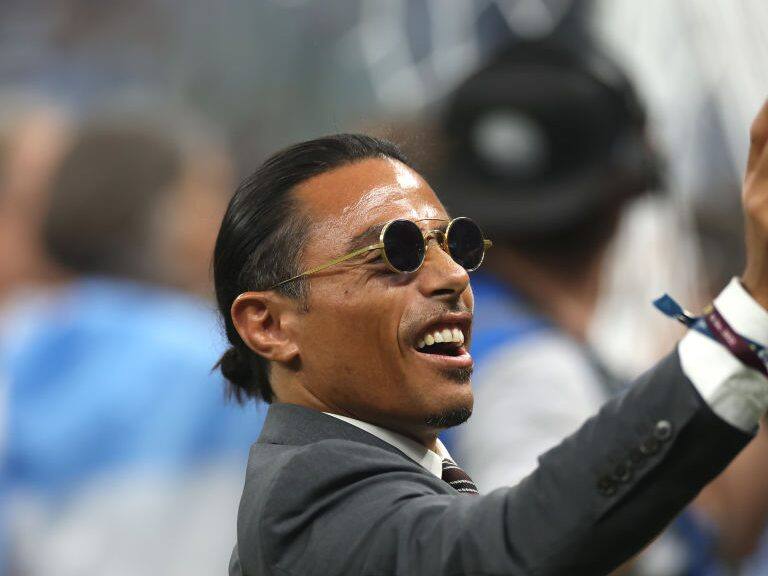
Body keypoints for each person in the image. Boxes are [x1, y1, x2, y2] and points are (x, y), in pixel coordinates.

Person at [215, 96, 768, 574]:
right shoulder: (308, 495)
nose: (454, 275)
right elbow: (508, 550)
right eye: (396, 252)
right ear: (270, 325)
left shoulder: (391, 471)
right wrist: (748, 317)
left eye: (455, 244)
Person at [1, 113, 264, 576]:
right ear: (163, 214)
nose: (225, 218)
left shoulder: (17, 346)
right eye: (207, 192)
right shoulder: (229, 362)